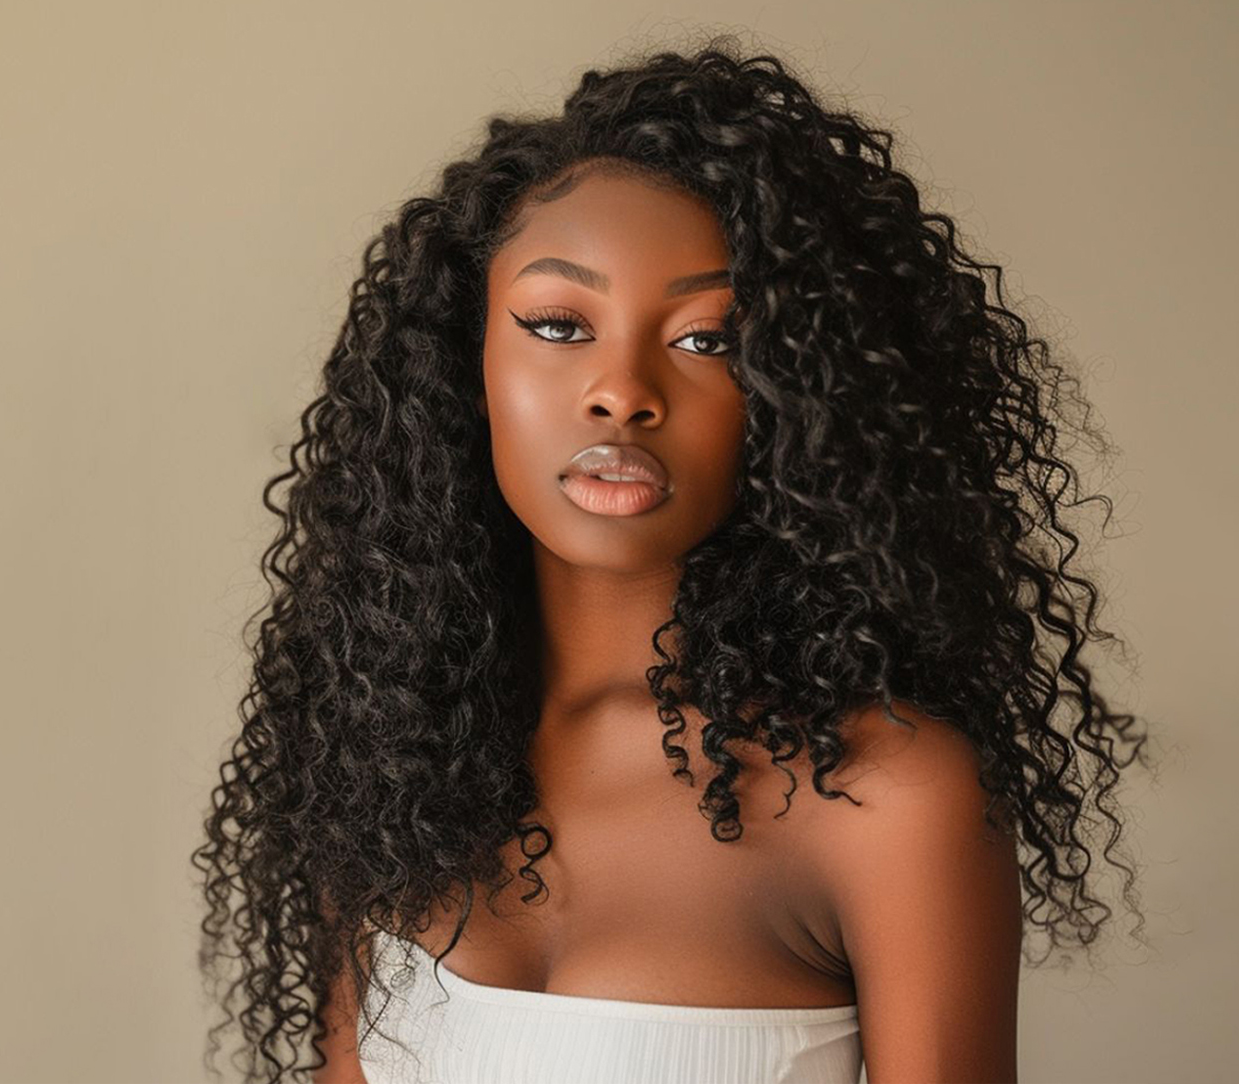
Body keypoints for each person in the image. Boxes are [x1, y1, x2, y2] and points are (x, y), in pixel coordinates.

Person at [190, 37, 1151, 1084]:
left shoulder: (886, 797)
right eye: (560, 324)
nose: (622, 391)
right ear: (461, 366)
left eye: (707, 340)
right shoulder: (386, 749)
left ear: (796, 393)